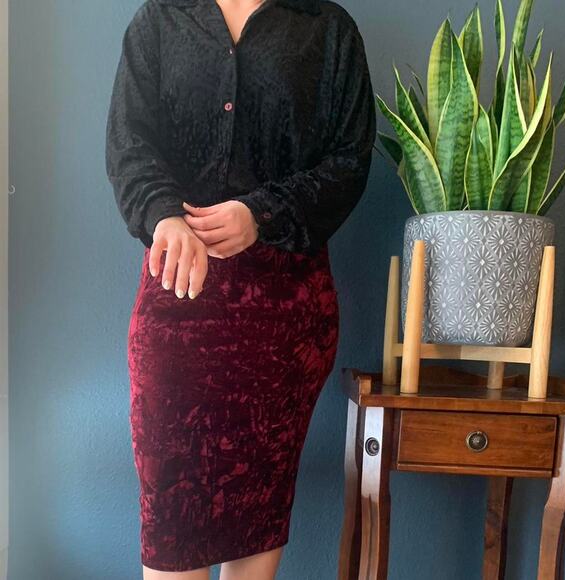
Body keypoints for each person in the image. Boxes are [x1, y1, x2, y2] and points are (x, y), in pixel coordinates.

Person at [105, 0, 376, 578]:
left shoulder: (327, 29)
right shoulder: (160, 20)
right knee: (172, 523)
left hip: (283, 315)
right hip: (178, 299)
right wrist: (163, 215)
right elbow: (129, 144)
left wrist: (262, 213)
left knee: (258, 519)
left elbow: (349, 162)